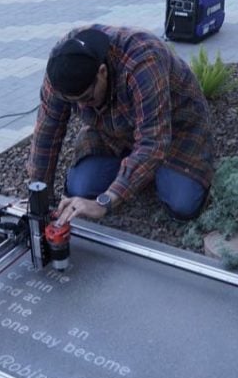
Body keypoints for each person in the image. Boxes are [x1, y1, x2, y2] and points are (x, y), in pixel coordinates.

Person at [27, 24, 214, 226]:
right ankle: (135, 168)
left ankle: (145, 170)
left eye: (87, 98)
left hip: (176, 128)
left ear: (102, 72)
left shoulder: (142, 61)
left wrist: (104, 202)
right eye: (75, 102)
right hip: (113, 132)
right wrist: (38, 196)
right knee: (79, 189)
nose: (82, 106)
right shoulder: (61, 64)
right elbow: (48, 130)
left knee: (182, 204)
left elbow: (153, 143)